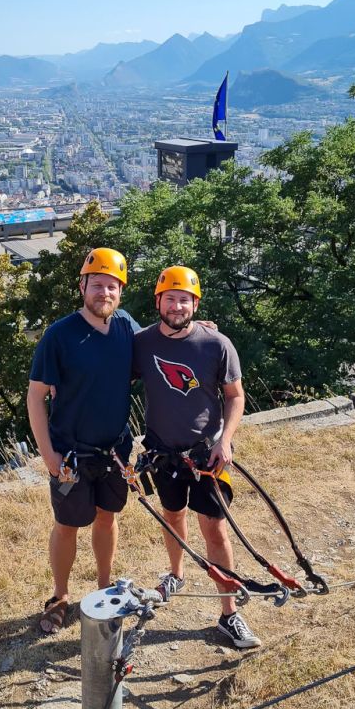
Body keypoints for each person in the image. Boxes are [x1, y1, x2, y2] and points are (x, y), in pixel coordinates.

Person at [132, 265, 260, 649]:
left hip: (207, 451)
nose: (177, 306)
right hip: (162, 452)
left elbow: (235, 396)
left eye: (184, 299)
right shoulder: (142, 343)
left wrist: (226, 441)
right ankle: (176, 573)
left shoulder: (216, 345)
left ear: (195, 303)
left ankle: (229, 614)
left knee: (215, 528)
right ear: (158, 302)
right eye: (169, 298)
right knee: (172, 515)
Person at [27, 248, 139, 634]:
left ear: (120, 293)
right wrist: (48, 455)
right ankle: (59, 596)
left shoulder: (125, 326)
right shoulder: (60, 335)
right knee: (67, 524)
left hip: (114, 450)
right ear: (82, 287)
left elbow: (158, 349)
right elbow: (35, 396)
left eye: (112, 286)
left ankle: (105, 587)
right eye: (97, 285)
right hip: (71, 453)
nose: (104, 293)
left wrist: (198, 330)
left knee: (107, 518)